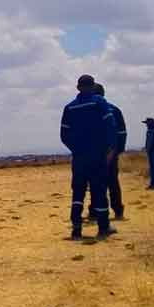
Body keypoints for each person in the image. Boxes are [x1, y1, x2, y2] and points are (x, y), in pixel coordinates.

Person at [60, 74, 117, 240]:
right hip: (98, 155)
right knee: (99, 191)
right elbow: (110, 125)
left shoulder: (69, 108)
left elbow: (64, 134)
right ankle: (103, 227)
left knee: (78, 192)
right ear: (93, 87)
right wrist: (110, 148)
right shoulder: (99, 102)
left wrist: (76, 149)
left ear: (78, 87)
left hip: (79, 158)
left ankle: (76, 229)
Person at [91, 84, 127, 220]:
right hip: (112, 152)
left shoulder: (92, 108)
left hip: (96, 152)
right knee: (113, 181)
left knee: (95, 182)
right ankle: (118, 210)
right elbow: (122, 132)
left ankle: (95, 211)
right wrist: (119, 150)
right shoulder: (115, 109)